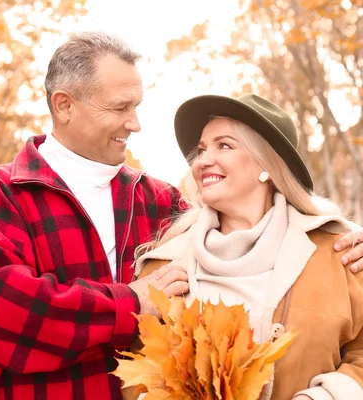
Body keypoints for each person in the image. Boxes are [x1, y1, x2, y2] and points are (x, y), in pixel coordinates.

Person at [0, 32, 363, 400]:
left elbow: (244, 223)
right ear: (64, 105)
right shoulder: (4, 192)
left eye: (138, 105)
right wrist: (131, 302)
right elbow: (2, 311)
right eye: (120, 107)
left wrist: (349, 240)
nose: (136, 123)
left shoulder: (160, 204)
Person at [133, 94, 363, 400]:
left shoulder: (340, 252)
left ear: (265, 165)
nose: (202, 160)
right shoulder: (161, 267)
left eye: (224, 145)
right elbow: (135, 369)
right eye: (201, 150)